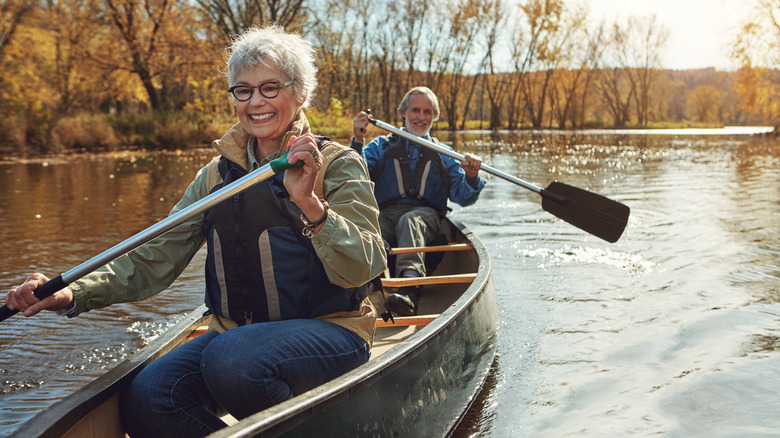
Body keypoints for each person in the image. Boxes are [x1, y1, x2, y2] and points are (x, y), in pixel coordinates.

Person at [4, 25, 386, 437]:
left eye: (270, 88)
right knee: (150, 398)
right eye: (243, 90)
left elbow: (366, 263)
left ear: (301, 94)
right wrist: (72, 292)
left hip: (332, 331)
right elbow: (153, 256)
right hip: (234, 341)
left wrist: (309, 204)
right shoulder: (214, 178)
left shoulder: (337, 163)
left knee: (233, 360)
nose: (256, 101)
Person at [351, 86, 485, 317]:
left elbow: (463, 197)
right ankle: (359, 287)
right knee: (369, 226)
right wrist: (358, 139)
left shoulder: (444, 153)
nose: (421, 117)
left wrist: (472, 176)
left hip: (426, 217)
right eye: (415, 110)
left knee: (410, 220)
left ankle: (409, 287)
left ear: (434, 117)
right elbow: (353, 177)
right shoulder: (379, 147)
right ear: (403, 112)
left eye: (428, 112)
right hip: (385, 214)